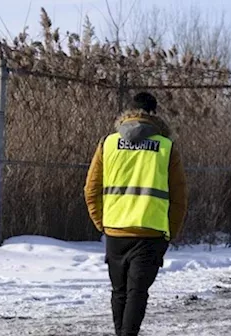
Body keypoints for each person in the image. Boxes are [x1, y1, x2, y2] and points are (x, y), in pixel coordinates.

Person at [84, 92, 188, 336]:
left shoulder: (107, 144)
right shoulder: (166, 147)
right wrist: (169, 233)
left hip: (115, 230)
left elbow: (91, 189)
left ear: (127, 114)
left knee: (119, 292)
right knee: (137, 293)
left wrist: (102, 222)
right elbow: (179, 196)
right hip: (150, 232)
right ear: (153, 114)